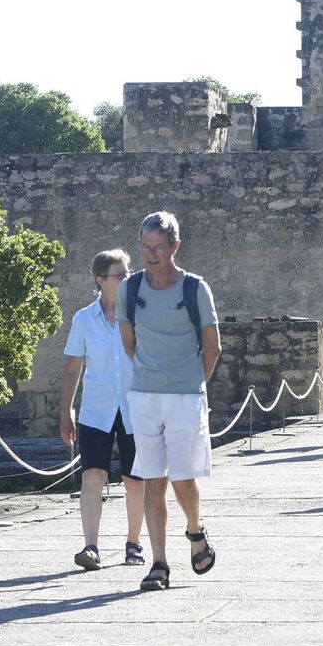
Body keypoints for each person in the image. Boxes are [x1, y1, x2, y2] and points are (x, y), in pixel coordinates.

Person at [119, 210, 221, 593]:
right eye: (145, 247)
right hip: (144, 394)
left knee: (182, 477)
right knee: (151, 481)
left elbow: (212, 346)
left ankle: (195, 529)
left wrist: (194, 382)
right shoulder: (131, 289)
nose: (150, 254)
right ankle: (159, 562)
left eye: (158, 247)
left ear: (174, 246)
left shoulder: (195, 288)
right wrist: (151, 374)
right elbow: (128, 342)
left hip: (185, 394)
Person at [60, 249, 147, 570]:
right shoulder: (83, 319)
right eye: (120, 274)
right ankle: (91, 547)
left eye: (128, 272)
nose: (127, 278)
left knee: (134, 480)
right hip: (95, 411)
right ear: (101, 280)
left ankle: (134, 544)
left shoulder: (139, 314)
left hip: (135, 407)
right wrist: (66, 411)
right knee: (93, 476)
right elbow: (72, 369)